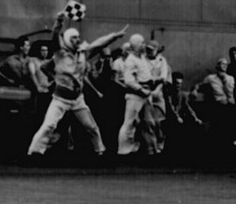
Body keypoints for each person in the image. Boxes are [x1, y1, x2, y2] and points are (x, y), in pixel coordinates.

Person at [26, 20, 127, 160]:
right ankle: (33, 153)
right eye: (74, 37)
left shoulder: (83, 53)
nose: (77, 40)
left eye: (78, 37)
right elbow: (55, 37)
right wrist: (59, 22)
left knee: (91, 127)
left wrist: (114, 36)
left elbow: (99, 43)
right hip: (60, 99)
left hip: (78, 99)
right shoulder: (60, 53)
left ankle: (100, 152)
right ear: (67, 39)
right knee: (49, 125)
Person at [117, 33, 157, 157]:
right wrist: (141, 90)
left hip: (146, 94)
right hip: (135, 95)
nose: (144, 45)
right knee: (129, 122)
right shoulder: (130, 60)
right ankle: (123, 150)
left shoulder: (142, 57)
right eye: (142, 43)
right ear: (136, 45)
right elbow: (129, 81)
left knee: (149, 122)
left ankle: (151, 149)